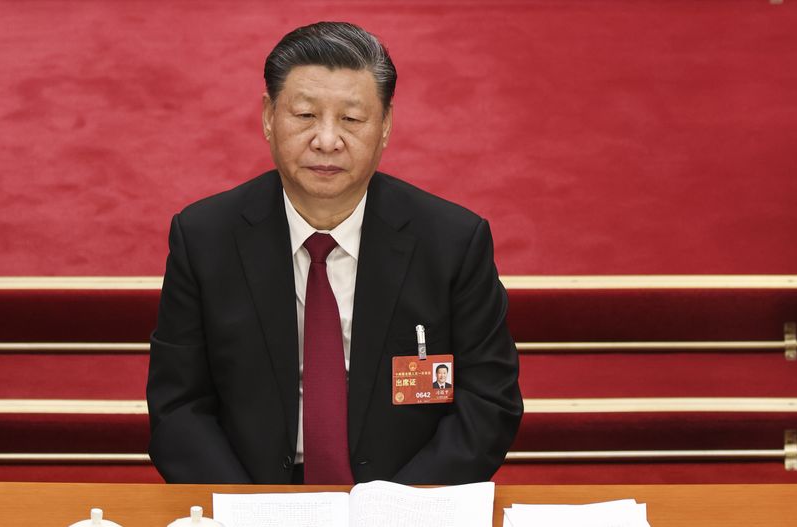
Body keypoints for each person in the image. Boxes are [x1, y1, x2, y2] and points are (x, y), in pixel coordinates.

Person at [147, 21, 523, 485]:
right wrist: (248, 509)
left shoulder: (452, 243)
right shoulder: (205, 238)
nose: (327, 140)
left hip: (403, 495)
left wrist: (398, 507)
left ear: (385, 125)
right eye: (305, 115)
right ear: (268, 117)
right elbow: (178, 407)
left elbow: (488, 402)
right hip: (253, 497)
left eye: (351, 119)